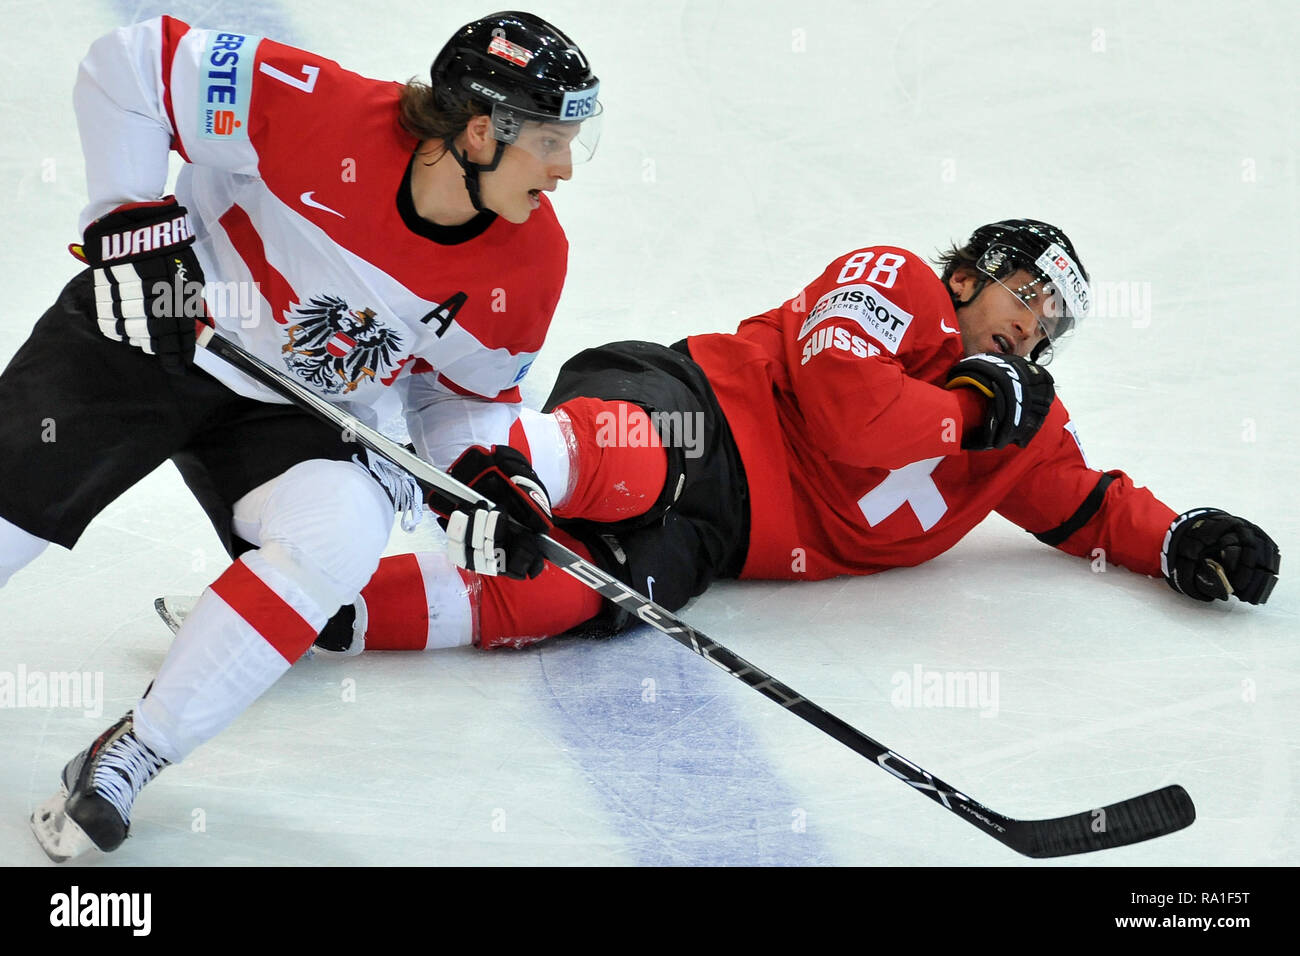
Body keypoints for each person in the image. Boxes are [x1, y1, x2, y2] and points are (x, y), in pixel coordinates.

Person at [9, 10, 602, 862]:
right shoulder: (318, 109)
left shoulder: (532, 260)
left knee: (343, 530)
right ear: (480, 131)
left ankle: (133, 752)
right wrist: (132, 226)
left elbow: (459, 396)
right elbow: (129, 67)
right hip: (165, 325)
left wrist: (489, 476)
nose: (565, 168)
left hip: (294, 409)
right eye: (550, 140)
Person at [304, 219, 1278, 659]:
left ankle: (317, 610)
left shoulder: (1026, 426)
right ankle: (441, 461)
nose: (1030, 327)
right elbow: (855, 424)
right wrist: (972, 412)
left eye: (1050, 324)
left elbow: (1088, 503)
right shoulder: (898, 283)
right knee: (635, 464)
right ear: (973, 274)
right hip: (690, 406)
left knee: (579, 595)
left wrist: (1180, 537)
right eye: (1024, 293)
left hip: (720, 537)